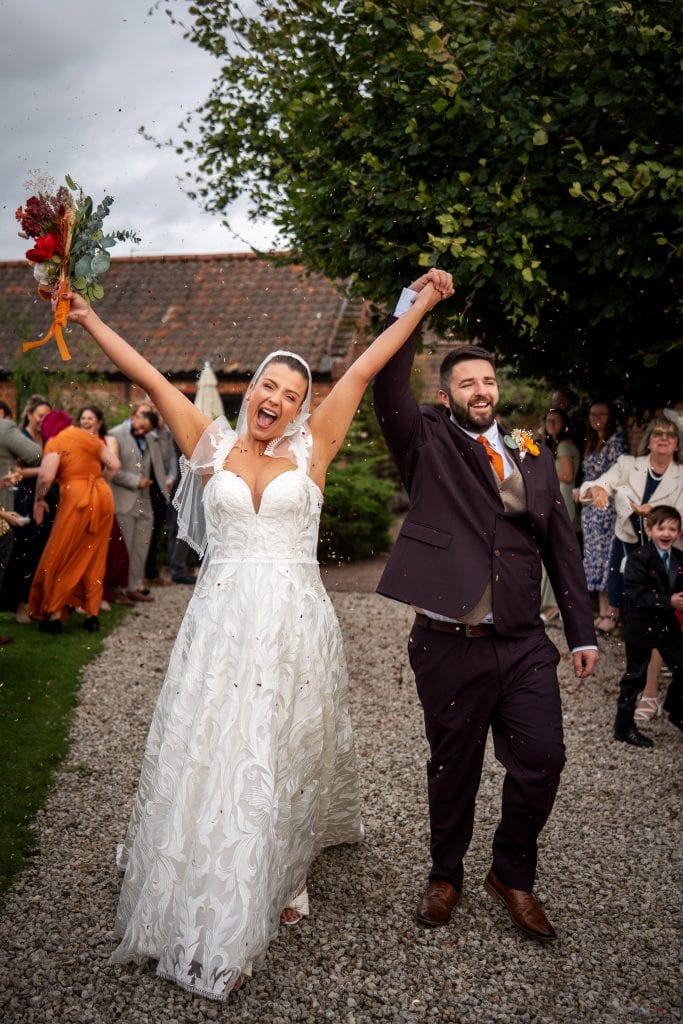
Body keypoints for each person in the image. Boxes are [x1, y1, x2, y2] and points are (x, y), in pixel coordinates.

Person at [63, 267, 454, 1000]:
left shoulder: (316, 449)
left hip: (292, 624)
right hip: (218, 625)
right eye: (266, 387)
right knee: (218, 745)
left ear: (303, 410)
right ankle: (209, 875)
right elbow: (147, 373)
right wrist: (86, 319)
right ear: (251, 393)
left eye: (290, 393)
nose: (273, 399)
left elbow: (366, 366)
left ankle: (283, 872)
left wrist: (421, 303)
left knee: (280, 747)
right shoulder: (207, 442)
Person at [372, 273, 598, 944]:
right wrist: (414, 310)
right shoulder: (427, 443)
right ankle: (446, 873)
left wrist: (581, 633)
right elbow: (387, 382)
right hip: (447, 639)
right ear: (446, 396)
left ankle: (511, 872)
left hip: (523, 640)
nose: (480, 392)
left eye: (488, 383)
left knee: (543, 758)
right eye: (466, 384)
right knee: (453, 763)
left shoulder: (531, 455)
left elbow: (561, 546)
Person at [579, 416, 683, 633]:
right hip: (628, 544)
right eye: (658, 433)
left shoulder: (681, 475)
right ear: (648, 440)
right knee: (631, 600)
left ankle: (657, 653)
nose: (664, 438)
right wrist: (596, 489)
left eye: (670, 434)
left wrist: (653, 513)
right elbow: (600, 483)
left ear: (677, 443)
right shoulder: (628, 464)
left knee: (660, 603)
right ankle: (634, 647)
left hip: (663, 549)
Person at [28, 410, 120, 633]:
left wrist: (39, 499)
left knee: (63, 553)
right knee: (95, 555)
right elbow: (115, 464)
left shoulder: (55, 441)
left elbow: (47, 476)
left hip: (77, 498)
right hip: (103, 496)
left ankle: (55, 614)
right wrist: (100, 482)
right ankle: (92, 615)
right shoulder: (89, 436)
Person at [614, 505, 683, 748]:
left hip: (667, 627)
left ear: (678, 533)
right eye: (661, 527)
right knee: (635, 677)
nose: (667, 533)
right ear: (649, 529)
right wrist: (668, 601)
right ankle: (623, 727)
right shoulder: (637, 558)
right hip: (641, 626)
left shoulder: (679, 559)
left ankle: (675, 709)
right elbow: (636, 595)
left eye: (673, 529)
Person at [0, 395, 54, 624]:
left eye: (48, 416)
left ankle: (30, 600)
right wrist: (47, 467)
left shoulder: (50, 437)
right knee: (17, 552)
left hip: (41, 496)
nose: (44, 420)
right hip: (18, 497)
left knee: (34, 551)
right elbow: (22, 467)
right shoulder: (14, 434)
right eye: (41, 416)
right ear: (29, 414)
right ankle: (17, 604)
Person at [108, 405, 169, 603]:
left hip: (145, 500)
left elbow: (163, 462)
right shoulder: (115, 435)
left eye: (146, 430)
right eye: (141, 427)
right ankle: (117, 589)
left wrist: (160, 432)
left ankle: (133, 586)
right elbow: (110, 470)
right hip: (123, 498)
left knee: (140, 547)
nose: (142, 432)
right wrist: (135, 481)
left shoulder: (152, 437)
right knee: (122, 547)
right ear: (134, 416)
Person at [578, 401, 628, 634]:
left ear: (611, 417)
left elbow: (618, 477)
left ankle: (613, 614)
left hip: (607, 508)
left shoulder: (617, 441)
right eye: (593, 413)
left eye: (602, 413)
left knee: (608, 558)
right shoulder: (591, 441)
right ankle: (602, 611)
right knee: (595, 559)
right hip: (590, 509)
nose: (596, 417)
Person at [78, 405, 130, 612]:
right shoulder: (75, 440)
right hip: (81, 499)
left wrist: (99, 482)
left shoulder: (109, 441)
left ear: (99, 421)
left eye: (90, 418)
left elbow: (112, 466)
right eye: (83, 418)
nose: (86, 421)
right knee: (83, 550)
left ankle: (102, 594)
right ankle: (81, 596)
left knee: (108, 549)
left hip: (102, 498)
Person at [538, 408, 581, 624]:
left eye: (555, 420)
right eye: (548, 420)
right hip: (557, 500)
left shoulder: (564, 445)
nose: (550, 423)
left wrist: (539, 471)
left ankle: (555, 605)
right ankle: (551, 601)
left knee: (557, 552)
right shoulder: (555, 444)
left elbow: (567, 475)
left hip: (563, 500)